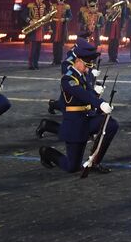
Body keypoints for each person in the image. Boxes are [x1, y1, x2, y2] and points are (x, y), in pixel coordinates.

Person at [39, 42, 118, 174]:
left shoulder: (83, 75)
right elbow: (82, 94)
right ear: (78, 61)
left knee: (110, 125)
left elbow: (90, 92)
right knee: (72, 167)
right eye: (87, 65)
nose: (88, 69)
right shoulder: (68, 79)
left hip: (87, 118)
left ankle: (94, 161)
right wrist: (101, 104)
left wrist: (101, 100)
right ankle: (47, 152)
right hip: (75, 123)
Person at [24, 0, 51, 70]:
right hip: (33, 30)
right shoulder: (30, 5)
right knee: (33, 49)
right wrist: (30, 20)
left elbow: (46, 16)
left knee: (38, 49)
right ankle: (31, 64)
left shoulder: (44, 6)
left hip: (40, 30)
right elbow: (23, 14)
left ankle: (36, 63)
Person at [49, 0, 73, 67]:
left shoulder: (67, 7)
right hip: (55, 26)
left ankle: (58, 60)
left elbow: (70, 16)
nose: (60, 0)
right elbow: (49, 17)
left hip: (62, 27)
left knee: (60, 45)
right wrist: (50, 27)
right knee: (54, 45)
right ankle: (55, 59)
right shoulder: (53, 6)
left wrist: (65, 19)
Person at [104, 0, 126, 64]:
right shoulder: (108, 4)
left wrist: (123, 25)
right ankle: (110, 57)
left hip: (118, 25)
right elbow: (104, 13)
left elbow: (124, 15)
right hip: (111, 24)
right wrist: (108, 12)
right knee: (111, 41)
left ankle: (115, 57)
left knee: (116, 42)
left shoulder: (122, 4)